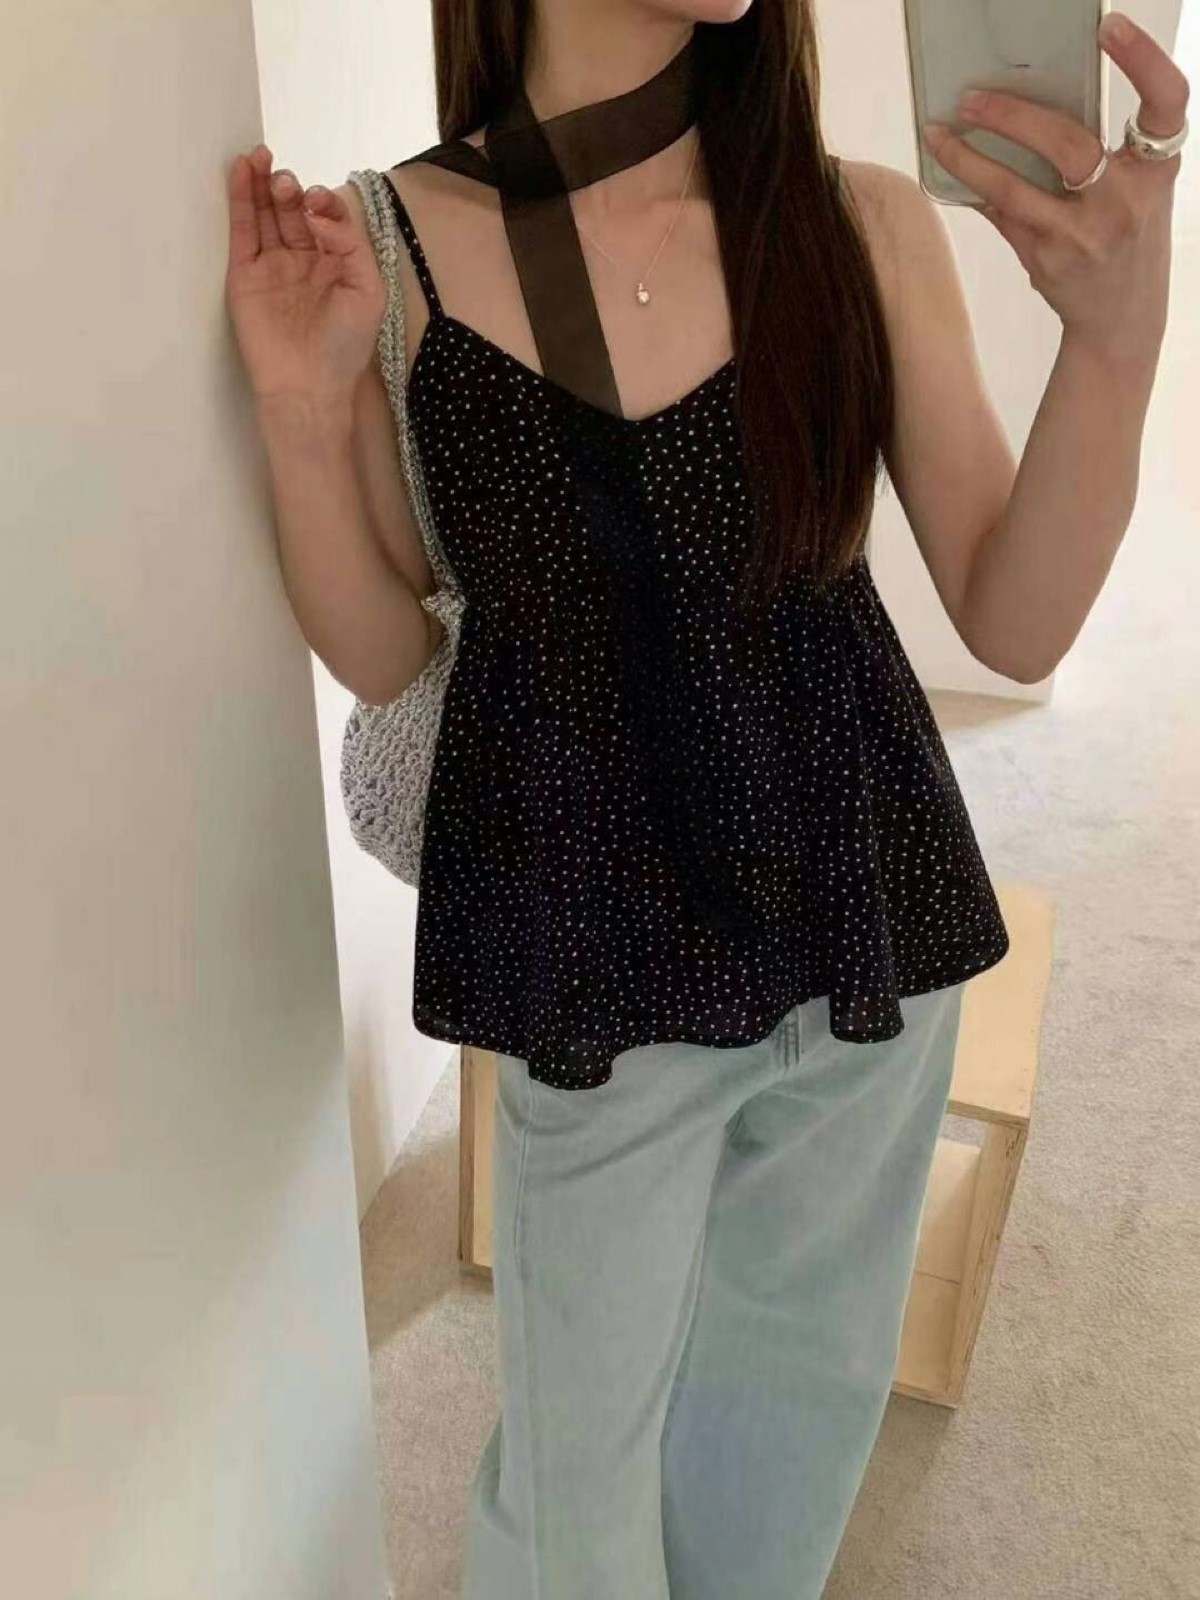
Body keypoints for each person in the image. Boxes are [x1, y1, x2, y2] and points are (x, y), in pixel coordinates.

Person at [225, 3, 1186, 1594]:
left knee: (788, 1437)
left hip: (865, 936)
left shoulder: (859, 221)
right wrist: (302, 414)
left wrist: (1117, 338)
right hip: (597, 979)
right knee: (572, 1497)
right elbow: (389, 651)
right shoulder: (388, 246)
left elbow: (1015, 621)